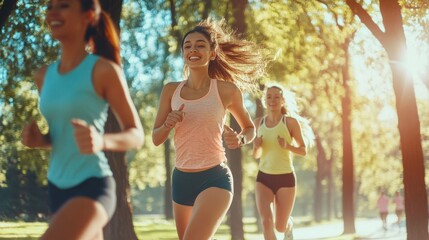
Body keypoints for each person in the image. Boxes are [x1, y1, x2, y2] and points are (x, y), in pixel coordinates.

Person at [21, 0, 144, 239]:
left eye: (64, 5)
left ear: (88, 16)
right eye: (49, 6)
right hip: (57, 187)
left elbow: (136, 134)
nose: (53, 12)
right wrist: (41, 140)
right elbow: (60, 137)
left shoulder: (103, 70)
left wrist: (100, 141)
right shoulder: (43, 76)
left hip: (93, 185)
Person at [152, 18, 266, 240]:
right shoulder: (170, 91)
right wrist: (168, 124)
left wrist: (241, 140)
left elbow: (249, 128)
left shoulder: (226, 91)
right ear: (183, 53)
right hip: (181, 179)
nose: (193, 50)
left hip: (215, 177)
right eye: (188, 46)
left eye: (200, 45)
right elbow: (156, 139)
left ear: (212, 53)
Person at [252, 85, 314, 240]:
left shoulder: (290, 123)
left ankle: (288, 225)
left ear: (282, 100)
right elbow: (256, 155)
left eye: (276, 97)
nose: (272, 100)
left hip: (285, 178)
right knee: (266, 222)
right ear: (265, 100)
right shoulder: (258, 123)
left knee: (279, 226)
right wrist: (256, 146)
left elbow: (303, 150)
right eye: (269, 97)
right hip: (263, 178)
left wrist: (288, 146)